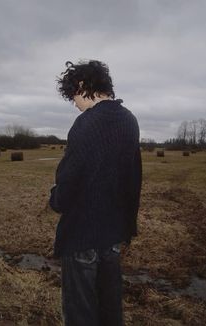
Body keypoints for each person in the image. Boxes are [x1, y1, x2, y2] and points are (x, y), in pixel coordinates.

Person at [49, 60, 142, 326]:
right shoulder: (129, 120)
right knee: (110, 310)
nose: (74, 102)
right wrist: (127, 226)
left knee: (81, 312)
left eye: (73, 95)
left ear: (83, 86)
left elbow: (68, 182)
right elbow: (133, 179)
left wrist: (55, 198)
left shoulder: (85, 123)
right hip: (112, 236)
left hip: (82, 236)